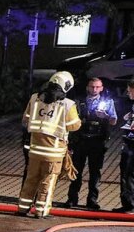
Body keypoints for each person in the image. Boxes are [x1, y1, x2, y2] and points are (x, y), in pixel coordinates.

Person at [18, 70, 81, 218]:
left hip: (34, 149)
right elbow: (74, 126)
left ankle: (23, 208)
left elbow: (26, 119)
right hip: (53, 152)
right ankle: (41, 211)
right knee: (48, 181)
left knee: (31, 179)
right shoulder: (67, 104)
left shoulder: (35, 98)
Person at [65, 77, 117, 210]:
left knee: (95, 172)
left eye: (97, 87)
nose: (94, 89)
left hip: (98, 141)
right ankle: (72, 199)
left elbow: (113, 121)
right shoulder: (78, 101)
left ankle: (92, 200)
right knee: (76, 171)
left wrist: (105, 116)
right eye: (92, 87)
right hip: (81, 140)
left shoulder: (108, 102)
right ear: (87, 87)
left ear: (102, 88)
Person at [115, 80, 134, 213]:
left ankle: (130, 205)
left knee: (129, 174)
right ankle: (128, 204)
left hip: (132, 145)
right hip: (129, 142)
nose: (128, 93)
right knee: (127, 174)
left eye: (130, 90)